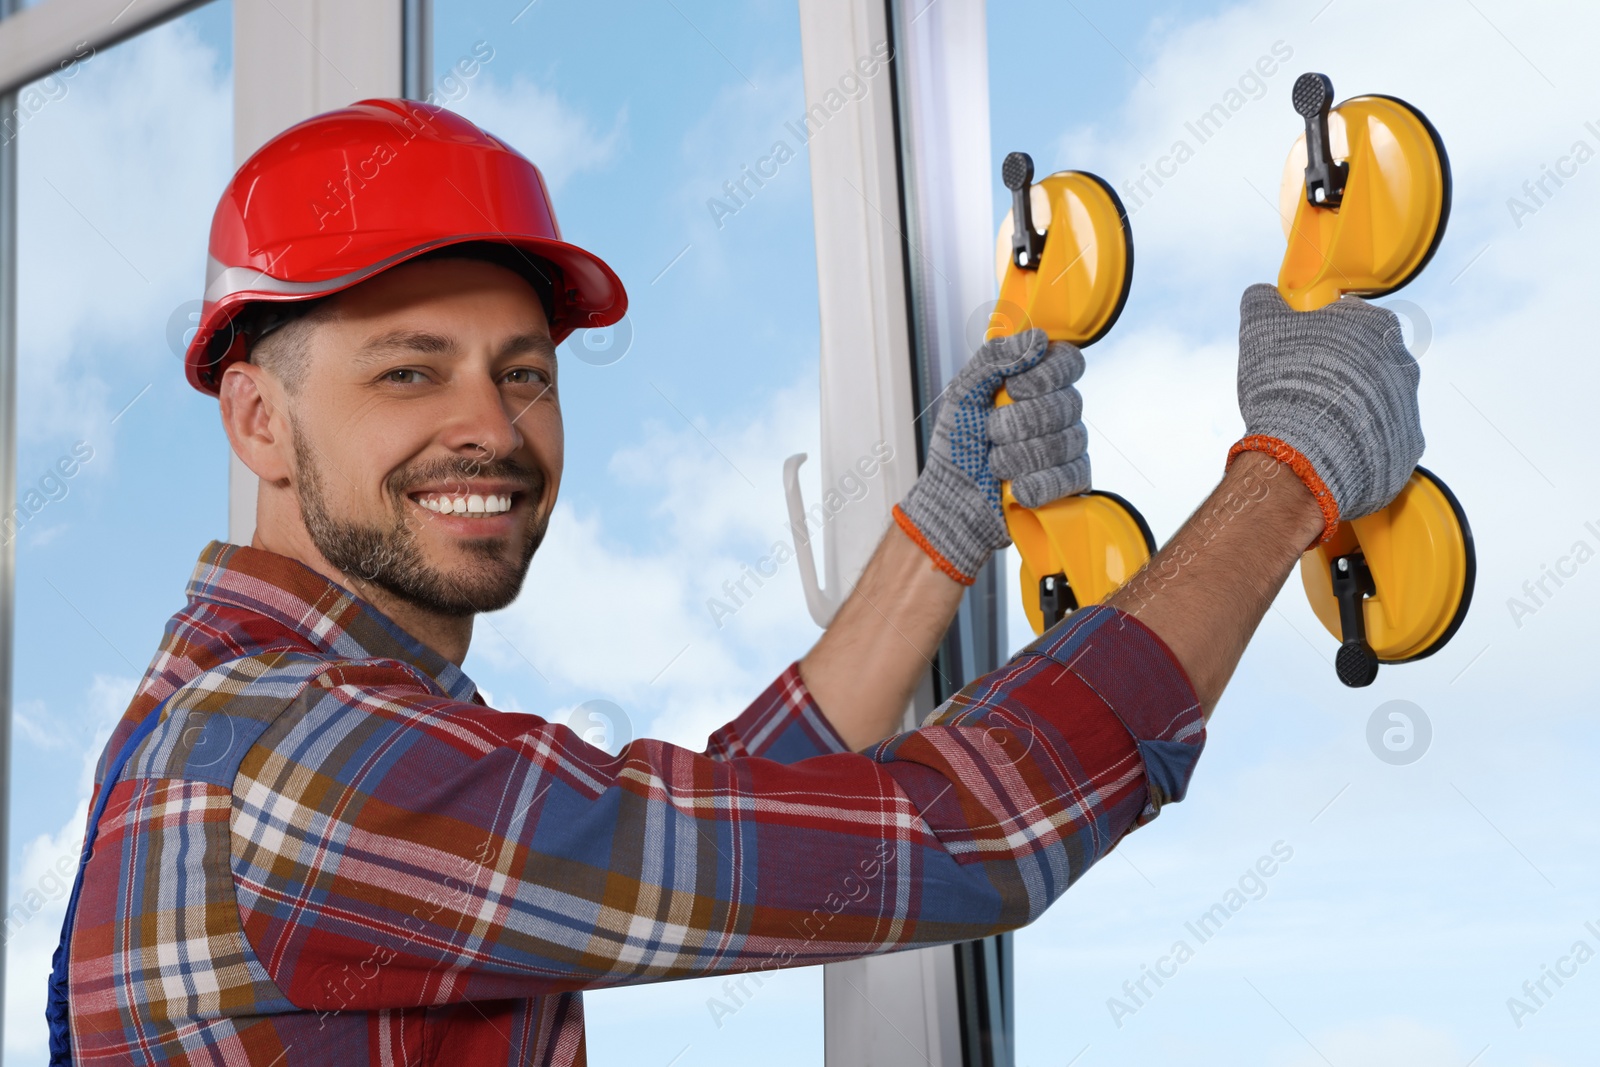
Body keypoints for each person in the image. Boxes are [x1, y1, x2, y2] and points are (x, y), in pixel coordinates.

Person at [49, 99, 1421, 1065]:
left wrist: (940, 531)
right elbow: (955, 839)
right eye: (410, 369)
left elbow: (686, 848)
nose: (493, 424)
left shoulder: (230, 723)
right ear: (257, 421)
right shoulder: (320, 765)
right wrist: (1288, 474)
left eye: (522, 372)